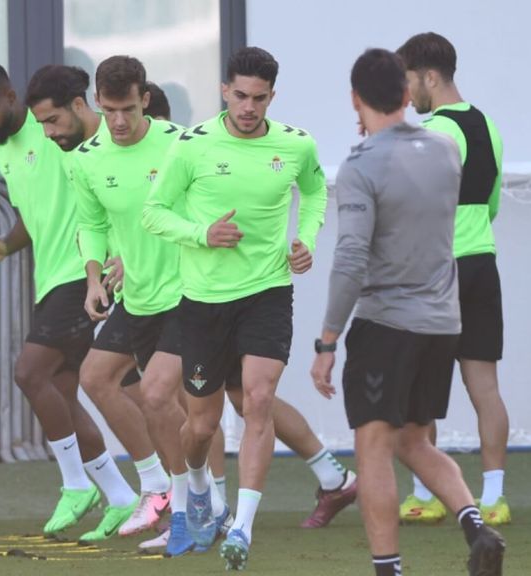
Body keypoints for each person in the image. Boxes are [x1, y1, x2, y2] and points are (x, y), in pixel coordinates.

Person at [311, 48, 506, 576]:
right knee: (414, 440)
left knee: (373, 448)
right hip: (442, 323)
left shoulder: (361, 165)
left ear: (356, 99)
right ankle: (474, 523)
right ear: (406, 93)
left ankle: (387, 568)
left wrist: (328, 340)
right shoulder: (445, 151)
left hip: (386, 326)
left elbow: (350, 260)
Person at [143, 46, 330, 570]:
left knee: (259, 400)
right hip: (203, 301)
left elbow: (314, 192)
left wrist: (305, 238)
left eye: (260, 98)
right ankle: (200, 485)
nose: (249, 107)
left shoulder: (296, 144)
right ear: (225, 90)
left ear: (273, 96)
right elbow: (153, 214)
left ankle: (242, 527)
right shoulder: (191, 146)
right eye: (241, 96)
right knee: (200, 426)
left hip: (268, 291)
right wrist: (203, 233)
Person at [0, 61, 133, 537]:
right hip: (50, 279)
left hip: (83, 274)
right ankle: (120, 494)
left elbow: (103, 188)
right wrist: (5, 246)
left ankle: (77, 483)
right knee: (59, 388)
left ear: (12, 98)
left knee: (29, 372)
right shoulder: (5, 153)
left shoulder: (54, 132)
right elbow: (33, 218)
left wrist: (120, 256)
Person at [25, 63, 175, 543]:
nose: (118, 121)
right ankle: (150, 488)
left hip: (181, 291)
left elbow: (191, 211)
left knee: (187, 403)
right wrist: (97, 275)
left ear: (144, 100)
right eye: (110, 110)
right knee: (99, 379)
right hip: (124, 292)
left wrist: (135, 257)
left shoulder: (177, 143)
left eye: (126, 109)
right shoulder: (85, 156)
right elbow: (92, 223)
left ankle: (202, 504)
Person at [396, 31, 511, 526]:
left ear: (429, 76)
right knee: (485, 387)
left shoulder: (436, 130)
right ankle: (494, 498)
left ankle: (425, 494)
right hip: (482, 261)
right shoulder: (489, 124)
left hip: (441, 267)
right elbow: (492, 204)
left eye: (408, 82)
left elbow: (422, 205)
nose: (407, 94)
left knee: (420, 388)